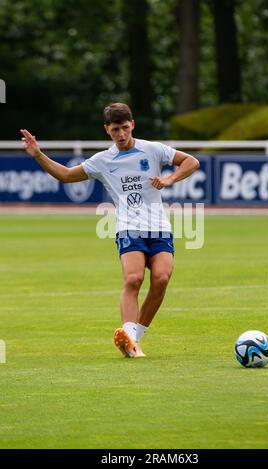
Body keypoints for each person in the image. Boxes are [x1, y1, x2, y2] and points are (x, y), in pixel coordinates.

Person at [20, 102, 199, 358]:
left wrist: (169, 179)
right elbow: (66, 175)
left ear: (133, 124)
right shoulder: (103, 160)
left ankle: (134, 338)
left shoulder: (153, 150)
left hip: (159, 228)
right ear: (107, 129)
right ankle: (130, 340)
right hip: (129, 228)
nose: (121, 134)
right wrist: (38, 154)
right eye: (115, 129)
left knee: (161, 279)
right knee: (133, 278)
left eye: (125, 128)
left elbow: (191, 162)